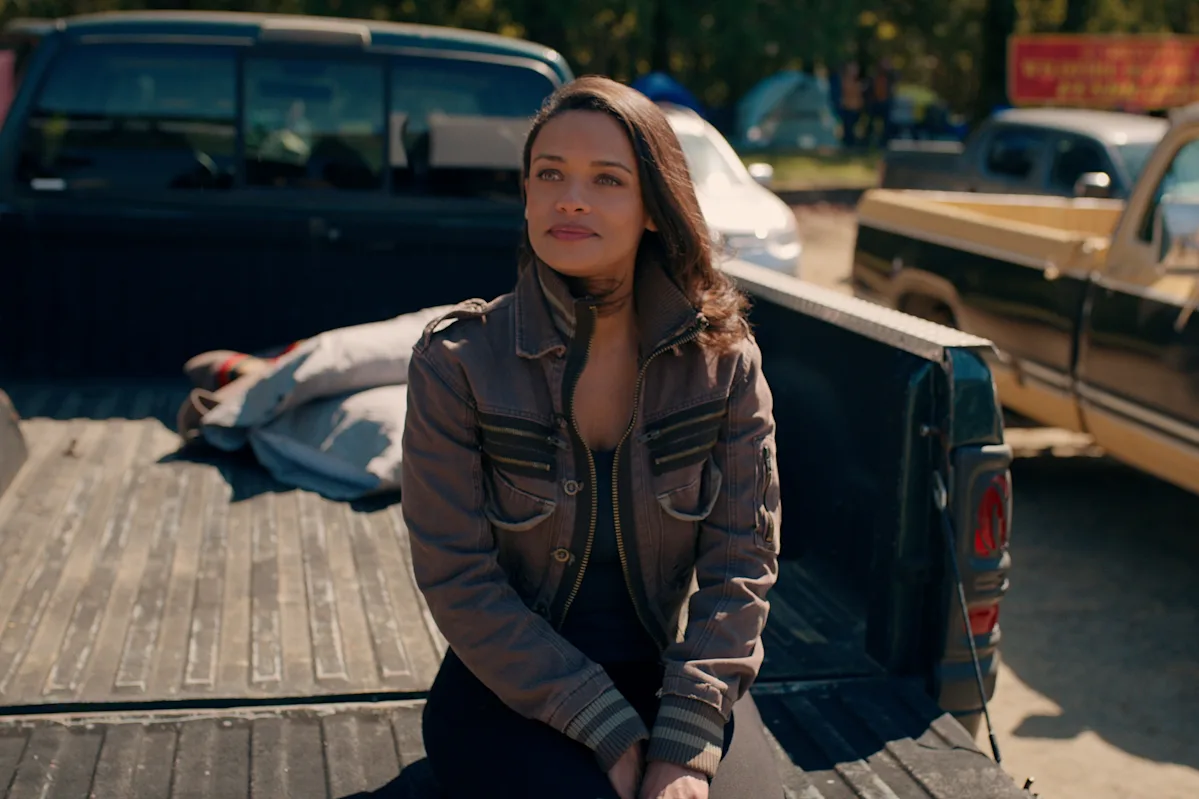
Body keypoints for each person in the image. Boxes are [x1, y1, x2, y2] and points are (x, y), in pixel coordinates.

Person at [400, 75, 784, 799]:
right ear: (526, 194)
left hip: (676, 679)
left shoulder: (724, 362)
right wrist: (602, 723)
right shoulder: (457, 363)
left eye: (606, 179)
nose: (569, 198)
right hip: (506, 686)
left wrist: (685, 739)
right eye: (550, 174)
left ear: (654, 207)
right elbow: (457, 577)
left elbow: (743, 560)